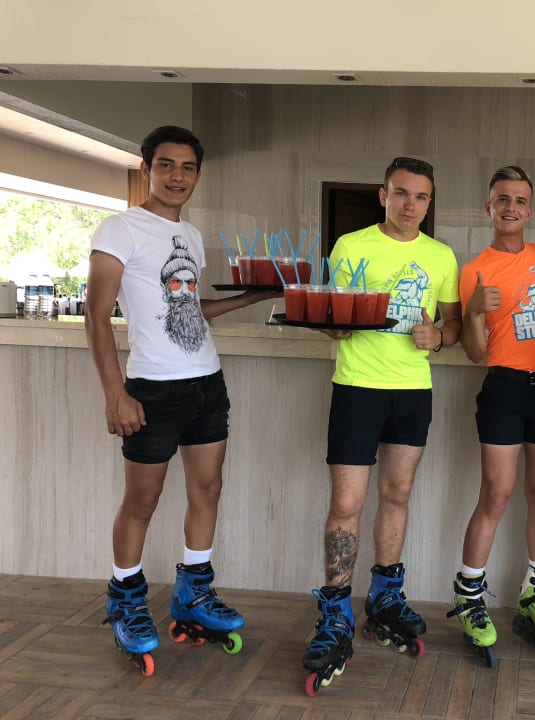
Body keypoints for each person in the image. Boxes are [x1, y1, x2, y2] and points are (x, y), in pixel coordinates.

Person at [86, 125, 280, 676]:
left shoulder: (190, 237)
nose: (178, 176)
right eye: (167, 165)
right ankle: (125, 598)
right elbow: (96, 317)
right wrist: (116, 393)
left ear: (197, 174)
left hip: (206, 383)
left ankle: (193, 592)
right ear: (146, 169)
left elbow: (189, 310)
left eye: (188, 167)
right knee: (142, 500)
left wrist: (253, 297)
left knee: (208, 489)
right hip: (152, 388)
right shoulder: (120, 229)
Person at [303, 156, 462, 690]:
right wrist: (333, 326)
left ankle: (386, 596)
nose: (410, 204)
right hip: (357, 388)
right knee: (346, 503)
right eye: (401, 193)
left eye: (420, 196)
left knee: (397, 495)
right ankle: (335, 611)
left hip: (413, 391)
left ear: (429, 202)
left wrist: (438, 338)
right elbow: (332, 317)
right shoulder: (350, 246)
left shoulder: (441, 256)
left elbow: (453, 324)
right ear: (383, 196)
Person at [446, 166, 535, 665]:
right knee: (497, 494)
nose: (511, 207)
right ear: (489, 207)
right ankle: (469, 596)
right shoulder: (474, 270)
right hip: (503, 389)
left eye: (520, 200)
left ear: (530, 210)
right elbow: (475, 353)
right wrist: (474, 311)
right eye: (503, 199)